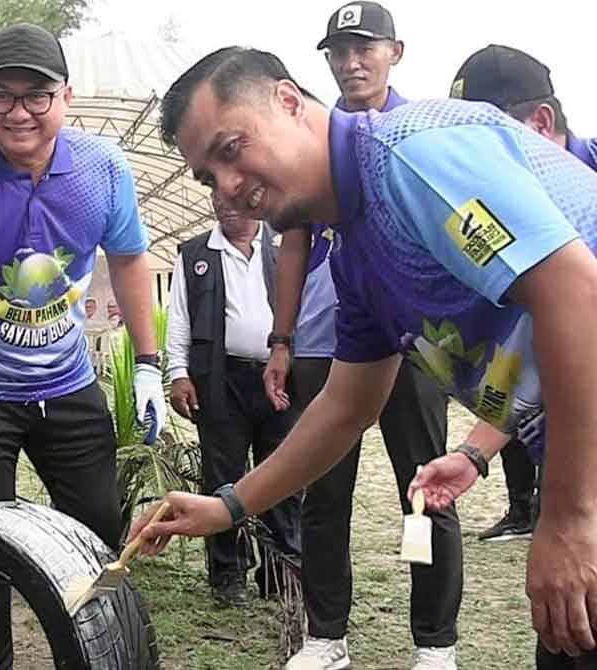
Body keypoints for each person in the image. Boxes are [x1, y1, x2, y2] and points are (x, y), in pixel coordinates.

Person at [129, 46, 597, 669]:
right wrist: (227, 506)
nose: (229, 188)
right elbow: (346, 407)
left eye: (231, 149)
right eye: (209, 175)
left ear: (290, 101)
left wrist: (567, 519)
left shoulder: (409, 157)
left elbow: (577, 294)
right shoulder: (356, 250)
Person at [0, 23, 165, 670]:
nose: (19, 111)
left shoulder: (102, 170)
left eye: (37, 95)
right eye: (1, 95)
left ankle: (103, 655)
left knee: (99, 530)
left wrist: (151, 364)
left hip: (67, 385)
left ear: (66, 96)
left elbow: (131, 262)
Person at [264, 5, 460, 668]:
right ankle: (326, 635)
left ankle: (435, 642)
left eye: (364, 48)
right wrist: (282, 339)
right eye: (338, 51)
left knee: (423, 491)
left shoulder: (419, 133)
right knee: (324, 492)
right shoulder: (313, 140)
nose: (351, 63)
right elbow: (292, 245)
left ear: (394, 52)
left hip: (415, 342)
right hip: (329, 340)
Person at [444, 44, 597, 543]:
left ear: (539, 121)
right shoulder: (510, 220)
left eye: (484, 144)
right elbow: (533, 352)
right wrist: (474, 452)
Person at [167, 191, 301, 607]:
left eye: (234, 199)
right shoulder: (195, 255)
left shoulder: (285, 246)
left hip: (278, 379)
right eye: (216, 198)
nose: (225, 205)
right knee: (221, 476)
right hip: (220, 379)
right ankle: (228, 575)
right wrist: (178, 373)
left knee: (281, 473)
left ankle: (281, 573)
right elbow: (179, 319)